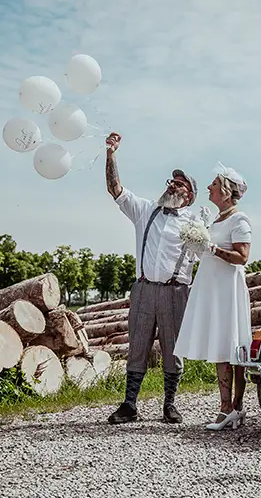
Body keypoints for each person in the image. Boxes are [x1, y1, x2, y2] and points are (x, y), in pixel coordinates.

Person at [104, 132, 200, 425]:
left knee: (173, 349)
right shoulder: (146, 211)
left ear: (189, 195)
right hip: (144, 289)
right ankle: (129, 404)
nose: (172, 185)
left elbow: (207, 255)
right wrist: (111, 155)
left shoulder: (197, 223)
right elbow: (115, 189)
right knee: (138, 345)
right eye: (171, 181)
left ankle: (169, 405)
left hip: (176, 292)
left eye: (179, 183)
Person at [173, 162, 252, 431]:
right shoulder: (215, 219)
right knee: (221, 344)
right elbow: (205, 251)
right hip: (212, 287)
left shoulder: (239, 219)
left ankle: (236, 407)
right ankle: (226, 407)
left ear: (226, 192)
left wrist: (213, 247)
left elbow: (242, 257)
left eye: (214, 184)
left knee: (234, 346)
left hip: (227, 289)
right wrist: (197, 244)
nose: (209, 187)